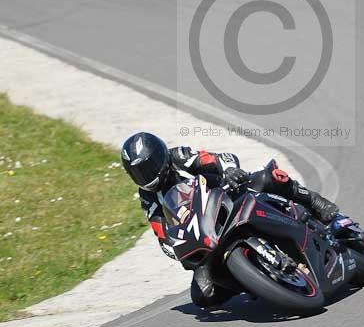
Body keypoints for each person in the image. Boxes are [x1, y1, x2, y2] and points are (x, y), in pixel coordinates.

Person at [121, 132, 338, 308]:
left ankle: (314, 201)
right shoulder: (148, 197)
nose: (145, 175)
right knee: (202, 296)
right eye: (137, 172)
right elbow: (161, 233)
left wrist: (230, 171)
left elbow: (217, 159)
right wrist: (173, 246)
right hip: (205, 231)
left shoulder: (178, 156)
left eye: (147, 168)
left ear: (160, 156)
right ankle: (255, 280)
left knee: (267, 177)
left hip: (229, 197)